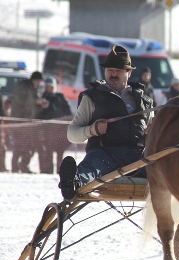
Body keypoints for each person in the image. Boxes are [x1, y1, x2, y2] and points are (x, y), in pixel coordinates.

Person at [58, 45, 154, 200]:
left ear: (129, 73)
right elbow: (72, 134)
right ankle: (73, 183)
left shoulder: (145, 101)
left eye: (118, 71)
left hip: (137, 158)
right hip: (104, 154)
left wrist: (151, 133)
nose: (113, 74)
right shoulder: (92, 97)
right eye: (110, 70)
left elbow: (152, 136)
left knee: (162, 168)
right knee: (91, 166)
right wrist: (93, 130)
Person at [11, 71, 48, 173]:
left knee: (30, 145)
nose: (39, 84)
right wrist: (36, 102)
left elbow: (32, 108)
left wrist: (41, 106)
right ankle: (14, 167)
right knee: (19, 145)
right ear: (34, 80)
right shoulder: (23, 86)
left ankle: (23, 166)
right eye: (38, 81)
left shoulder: (33, 90)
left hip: (28, 122)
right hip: (19, 121)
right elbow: (21, 100)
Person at [35, 76, 73, 174]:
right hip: (48, 130)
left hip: (60, 129)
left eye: (50, 87)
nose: (49, 89)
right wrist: (42, 107)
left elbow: (68, 111)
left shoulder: (60, 97)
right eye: (47, 87)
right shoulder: (42, 98)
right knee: (48, 151)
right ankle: (48, 170)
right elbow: (39, 115)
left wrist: (68, 123)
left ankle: (59, 170)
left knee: (60, 151)